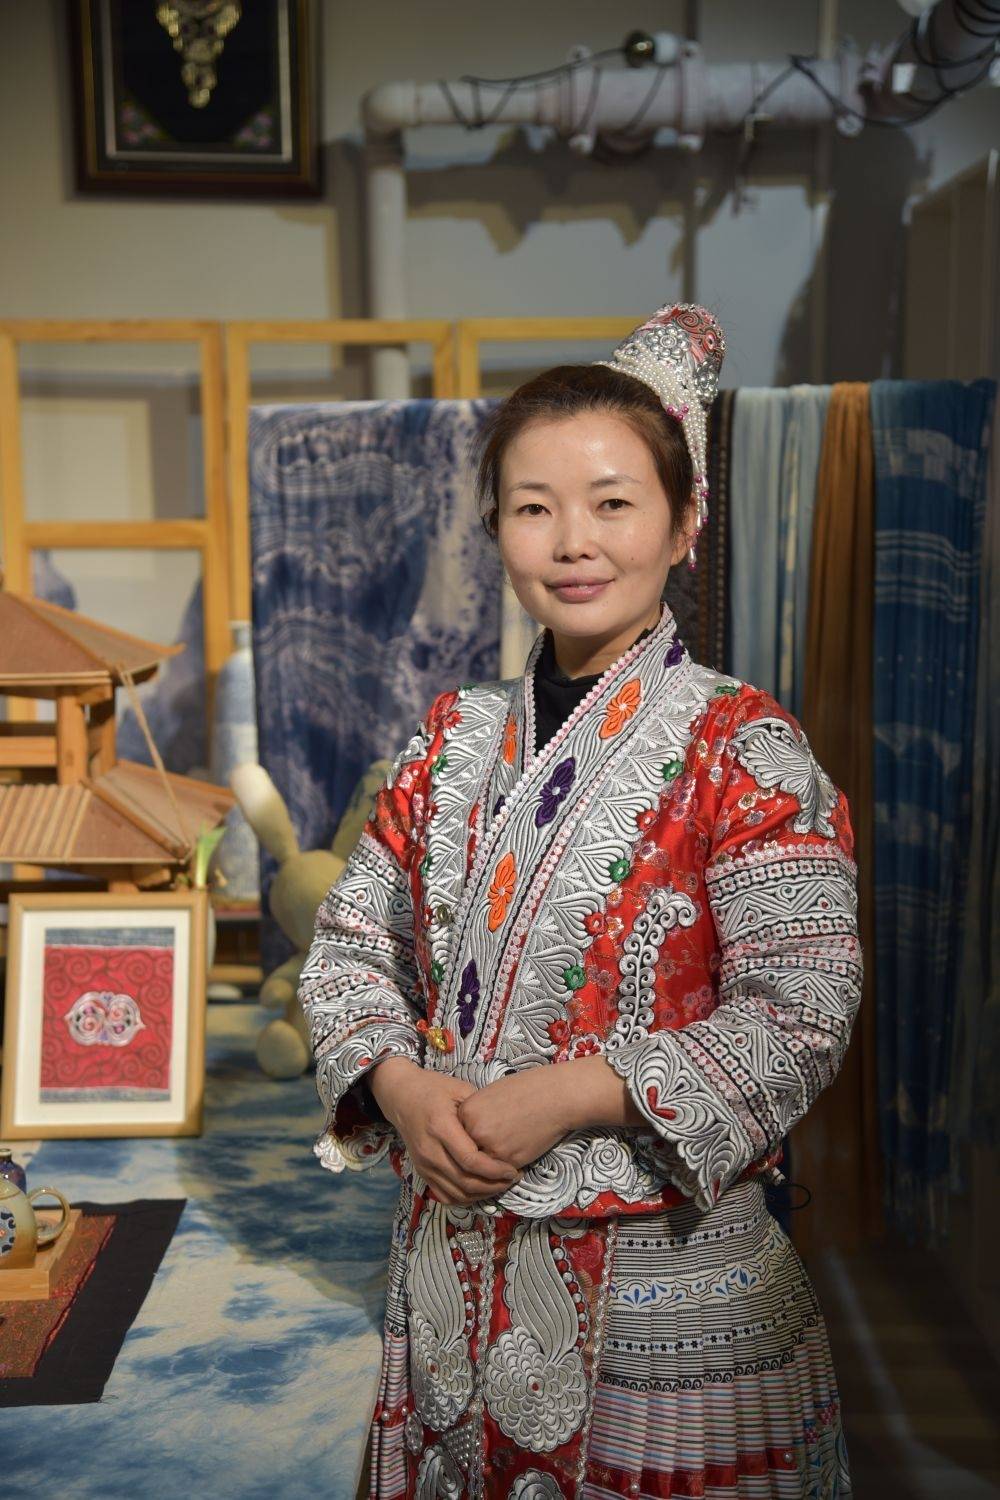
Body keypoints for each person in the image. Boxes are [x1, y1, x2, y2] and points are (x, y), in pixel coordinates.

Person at [299, 303, 859, 1499]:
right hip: (450, 1276)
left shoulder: (743, 746)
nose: (572, 543)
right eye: (532, 507)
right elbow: (347, 946)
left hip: (668, 1289)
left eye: (611, 503)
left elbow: (803, 1012)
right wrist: (397, 1085)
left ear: (684, 522)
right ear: (496, 529)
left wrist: (571, 1092)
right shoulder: (451, 738)